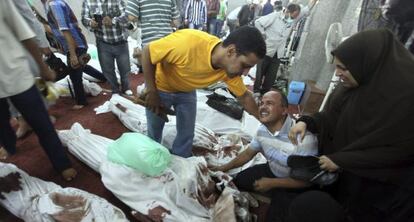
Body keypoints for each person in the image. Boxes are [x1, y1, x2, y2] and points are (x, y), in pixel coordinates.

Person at [288, 29, 414, 222]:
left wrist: (344, 160)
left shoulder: (404, 99)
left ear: (367, 64)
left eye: (343, 68)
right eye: (336, 67)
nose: (337, 74)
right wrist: (307, 122)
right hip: (341, 180)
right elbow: (331, 116)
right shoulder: (353, 84)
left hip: (376, 194)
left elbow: (400, 152)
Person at [141, 26, 266, 158]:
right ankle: (151, 161)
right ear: (231, 51)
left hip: (186, 91)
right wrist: (151, 91)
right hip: (160, 88)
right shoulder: (188, 43)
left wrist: (266, 122)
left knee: (187, 134)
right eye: (245, 65)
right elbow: (147, 51)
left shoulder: (229, 70)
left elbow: (245, 97)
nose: (245, 73)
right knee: (154, 132)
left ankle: (182, 163)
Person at [211, 90, 318, 222]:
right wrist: (222, 167)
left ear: (284, 110)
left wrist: (272, 183)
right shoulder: (262, 130)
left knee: (275, 217)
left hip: (293, 183)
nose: (262, 107)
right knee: (239, 180)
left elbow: (306, 181)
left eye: (269, 103)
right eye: (261, 103)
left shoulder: (304, 139)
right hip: (272, 170)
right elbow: (247, 154)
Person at [0, 0, 76, 180]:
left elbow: (27, 24)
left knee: (42, 113)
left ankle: (61, 162)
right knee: (3, 122)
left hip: (17, 68)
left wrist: (43, 54)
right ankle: (15, 134)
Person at [42, 0, 90, 109]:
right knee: (80, 68)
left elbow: (66, 30)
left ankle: (82, 102)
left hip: (75, 44)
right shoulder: (48, 4)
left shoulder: (55, 4)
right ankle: (102, 78)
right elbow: (54, 29)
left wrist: (72, 54)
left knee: (75, 74)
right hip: (71, 45)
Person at [82, 0, 132, 95]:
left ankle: (126, 88)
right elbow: (84, 18)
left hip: (120, 40)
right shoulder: (88, 2)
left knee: (125, 68)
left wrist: (113, 21)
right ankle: (115, 90)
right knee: (107, 70)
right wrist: (90, 23)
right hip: (102, 42)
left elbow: (126, 17)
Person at [253, 3, 302, 95]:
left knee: (271, 76)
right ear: (287, 11)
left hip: (278, 52)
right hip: (267, 49)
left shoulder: (292, 20)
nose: (293, 19)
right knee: (260, 72)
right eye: (292, 16)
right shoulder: (275, 16)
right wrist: (262, 34)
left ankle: (265, 93)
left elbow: (306, 10)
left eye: (295, 17)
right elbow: (258, 22)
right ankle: (256, 91)